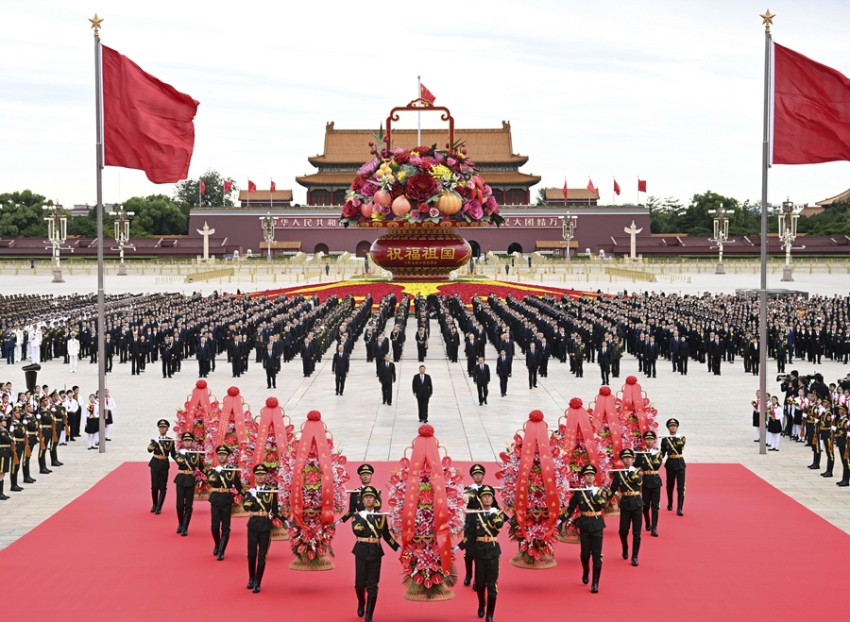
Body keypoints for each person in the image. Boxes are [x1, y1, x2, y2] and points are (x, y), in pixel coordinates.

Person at [351, 485, 399, 622]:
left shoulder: (381, 516)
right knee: (360, 584)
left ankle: (369, 615)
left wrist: (398, 548)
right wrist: (363, 516)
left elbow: (386, 535)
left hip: (376, 552)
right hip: (361, 551)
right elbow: (357, 531)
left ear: (375, 499)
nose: (368, 500)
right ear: (362, 500)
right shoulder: (357, 515)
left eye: (371, 497)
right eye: (366, 497)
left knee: (373, 585)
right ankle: (361, 602)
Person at [457, 484, 504, 622]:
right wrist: (461, 548)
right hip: (479, 552)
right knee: (480, 583)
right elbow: (470, 534)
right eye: (484, 496)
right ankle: (481, 603)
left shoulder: (497, 512)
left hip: (493, 550)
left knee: (492, 584)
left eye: (490, 496)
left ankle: (490, 614)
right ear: (480, 498)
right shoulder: (474, 514)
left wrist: (493, 516)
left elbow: (499, 525)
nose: (487, 498)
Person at [564, 464, 609, 593]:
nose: (589, 477)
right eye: (587, 475)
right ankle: (586, 570)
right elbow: (571, 509)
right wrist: (561, 520)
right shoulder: (579, 492)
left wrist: (595, 495)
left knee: (597, 555)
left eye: (591, 475)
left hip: (597, 525)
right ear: (583, 477)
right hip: (584, 524)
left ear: (594, 477)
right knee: (584, 555)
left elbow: (603, 504)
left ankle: (595, 583)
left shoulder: (600, 491)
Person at [243, 464, 280, 593]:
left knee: (262, 556)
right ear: (255, 476)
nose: (260, 477)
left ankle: (258, 581)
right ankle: (251, 578)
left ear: (266, 476)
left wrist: (286, 521)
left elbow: (275, 510)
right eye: (258, 475)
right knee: (252, 555)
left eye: (262, 474)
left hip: (265, 525)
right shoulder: (250, 491)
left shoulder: (271, 491)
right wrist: (253, 495)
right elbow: (246, 507)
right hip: (253, 524)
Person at [206, 445, 243, 561]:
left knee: (226, 528)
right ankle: (217, 544)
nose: (222, 456)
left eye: (224, 455)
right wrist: (217, 472)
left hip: (226, 500)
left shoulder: (232, 470)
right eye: (220, 455)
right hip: (216, 499)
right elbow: (210, 481)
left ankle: (221, 551)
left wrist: (247, 495)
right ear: (218, 456)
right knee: (214, 527)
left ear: (227, 456)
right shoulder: (213, 470)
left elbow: (238, 486)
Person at [610, 448, 644, 566]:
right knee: (623, 531)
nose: (628, 460)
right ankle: (625, 547)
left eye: (630, 458)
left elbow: (639, 482)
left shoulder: (637, 471)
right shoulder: (618, 473)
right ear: (622, 460)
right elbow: (613, 488)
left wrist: (631, 473)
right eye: (625, 458)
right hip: (625, 503)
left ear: (633, 459)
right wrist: (604, 499)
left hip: (636, 503)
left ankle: (635, 556)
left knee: (636, 532)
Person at [174, 432, 203, 536]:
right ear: (183, 442)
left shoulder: (196, 454)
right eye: (185, 440)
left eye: (189, 440)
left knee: (189, 505)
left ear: (192, 442)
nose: (187, 442)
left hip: (190, 480)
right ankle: (180, 523)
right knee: (179, 505)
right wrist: (184, 455)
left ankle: (185, 527)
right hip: (181, 479)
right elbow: (179, 461)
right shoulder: (179, 453)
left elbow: (201, 467)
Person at [147, 419, 176, 514]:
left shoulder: (170, 441)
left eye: (164, 427)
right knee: (154, 486)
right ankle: (154, 504)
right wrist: (155, 443)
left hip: (164, 463)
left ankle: (159, 506)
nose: (162, 429)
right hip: (155, 463)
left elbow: (173, 454)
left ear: (167, 429)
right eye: (161, 427)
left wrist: (181, 461)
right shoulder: (154, 440)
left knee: (163, 487)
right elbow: (149, 450)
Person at [636, 431, 662, 537]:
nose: (649, 441)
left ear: (654, 441)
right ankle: (647, 521)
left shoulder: (657, 453)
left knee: (655, 506)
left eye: (651, 439)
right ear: (645, 441)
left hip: (655, 481)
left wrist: (650, 456)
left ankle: (654, 527)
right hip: (645, 481)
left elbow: (657, 466)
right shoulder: (640, 454)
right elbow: (636, 467)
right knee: (645, 506)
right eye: (647, 439)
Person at [661, 418, 686, 516]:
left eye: (675, 426)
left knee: (681, 487)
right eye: (671, 426)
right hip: (670, 463)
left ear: (677, 427)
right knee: (670, 485)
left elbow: (681, 445)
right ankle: (670, 502)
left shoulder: (681, 437)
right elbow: (663, 453)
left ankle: (680, 508)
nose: (673, 427)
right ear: (668, 428)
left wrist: (676, 438)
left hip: (680, 463)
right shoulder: (664, 440)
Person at [834, 404, 849, 487]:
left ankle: (846, 480)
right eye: (839, 409)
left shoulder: (846, 420)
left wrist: (837, 434)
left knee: (846, 462)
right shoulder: (841, 419)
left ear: (845, 411)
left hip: (844, 442)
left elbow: (844, 431)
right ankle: (844, 479)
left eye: (841, 409)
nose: (839, 411)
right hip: (840, 442)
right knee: (843, 462)